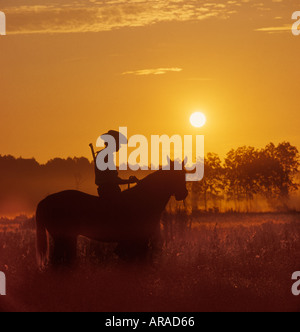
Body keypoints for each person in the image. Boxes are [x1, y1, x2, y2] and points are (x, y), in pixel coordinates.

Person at [93, 130, 139, 198]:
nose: (120, 146)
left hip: (107, 190)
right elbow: (113, 180)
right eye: (118, 143)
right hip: (109, 191)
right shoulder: (106, 156)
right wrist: (129, 181)